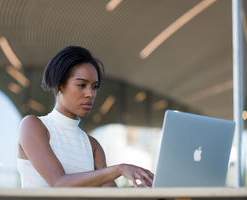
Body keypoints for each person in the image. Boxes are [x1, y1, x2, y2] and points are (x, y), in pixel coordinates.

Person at [17, 46, 154, 188]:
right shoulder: (33, 126)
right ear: (59, 84)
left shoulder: (93, 146)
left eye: (94, 86)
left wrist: (143, 188)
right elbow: (59, 184)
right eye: (81, 85)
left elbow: (112, 198)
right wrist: (119, 169)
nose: (90, 94)